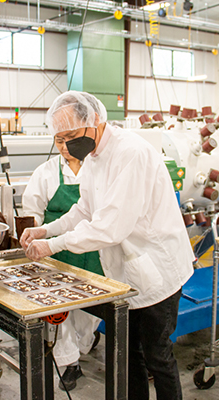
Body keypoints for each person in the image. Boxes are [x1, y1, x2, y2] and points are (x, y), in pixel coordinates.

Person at [20, 91, 194, 400]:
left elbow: (110, 226)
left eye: (72, 136)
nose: (68, 145)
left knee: (158, 356)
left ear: (95, 120)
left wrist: (52, 246)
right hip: (127, 273)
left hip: (157, 269)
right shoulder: (93, 156)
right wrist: (45, 230)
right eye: (60, 139)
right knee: (129, 355)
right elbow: (84, 210)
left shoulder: (131, 153)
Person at [22, 135, 104, 391]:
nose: (64, 148)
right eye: (58, 141)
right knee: (59, 312)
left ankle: (87, 339)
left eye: (68, 141)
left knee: (90, 308)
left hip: (94, 252)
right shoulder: (45, 173)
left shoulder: (97, 169)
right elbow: (31, 212)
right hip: (56, 253)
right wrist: (31, 235)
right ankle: (69, 362)